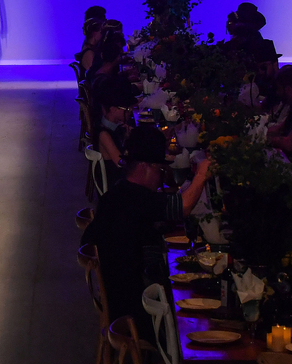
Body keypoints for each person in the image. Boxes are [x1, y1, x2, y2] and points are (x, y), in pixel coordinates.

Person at [81, 125, 212, 340]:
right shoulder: (136, 198)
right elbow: (183, 207)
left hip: (120, 299)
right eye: (160, 170)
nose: (162, 177)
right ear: (145, 167)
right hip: (137, 309)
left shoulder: (117, 194)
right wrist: (201, 175)